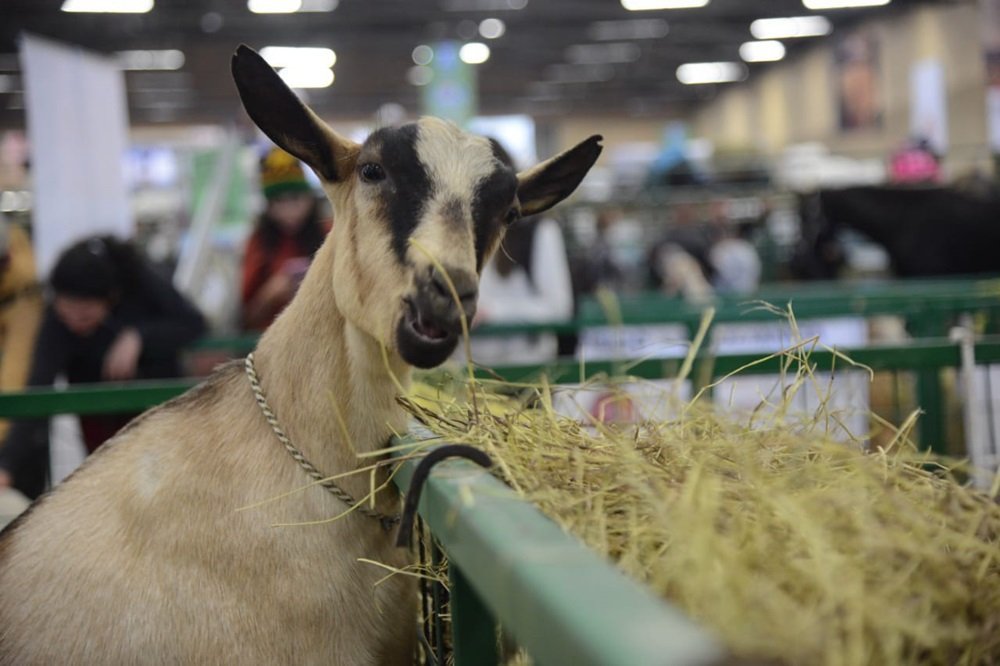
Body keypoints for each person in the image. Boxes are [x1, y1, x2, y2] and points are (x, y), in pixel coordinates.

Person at [0, 234, 207, 498]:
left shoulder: (140, 282)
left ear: (111, 299)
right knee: (111, 494)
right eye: (66, 314)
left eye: (85, 316)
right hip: (99, 429)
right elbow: (38, 389)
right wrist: (6, 465)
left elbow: (193, 323)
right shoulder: (56, 324)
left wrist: (139, 337)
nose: (74, 324)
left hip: (157, 420)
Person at [240, 147, 330, 331]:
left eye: (295, 198)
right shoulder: (257, 243)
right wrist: (269, 295)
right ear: (268, 206)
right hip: (274, 342)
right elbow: (246, 318)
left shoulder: (330, 234)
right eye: (278, 201)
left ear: (310, 198)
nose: (288, 210)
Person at [469, 215, 575, 366]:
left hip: (527, 366)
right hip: (472, 367)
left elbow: (558, 308)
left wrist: (492, 312)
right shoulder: (465, 226)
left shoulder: (540, 230)